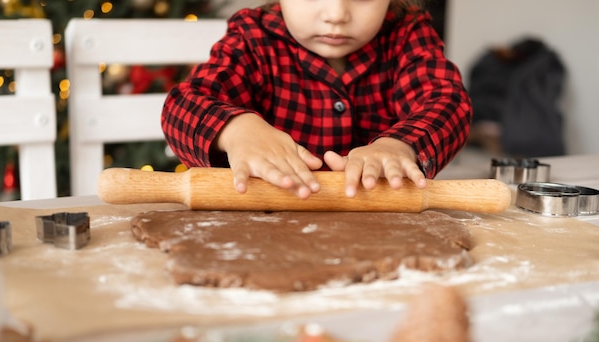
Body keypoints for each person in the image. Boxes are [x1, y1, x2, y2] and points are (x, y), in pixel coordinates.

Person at [161, 0, 472, 199]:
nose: (336, 14)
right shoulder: (252, 36)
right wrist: (237, 131)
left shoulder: (407, 32)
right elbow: (183, 105)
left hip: (378, 228)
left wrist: (398, 146)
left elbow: (447, 102)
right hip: (264, 227)